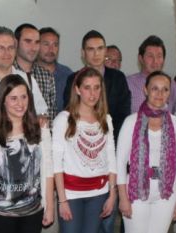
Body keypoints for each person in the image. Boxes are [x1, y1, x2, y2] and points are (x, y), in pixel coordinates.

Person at [0, 74, 54, 233]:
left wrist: (50, 207)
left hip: (33, 213)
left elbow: (48, 171)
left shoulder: (41, 129)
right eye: (13, 98)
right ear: (2, 101)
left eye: (24, 97)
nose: (20, 104)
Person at [116, 71, 176, 233]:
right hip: (135, 191)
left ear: (170, 93)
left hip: (166, 192)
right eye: (155, 88)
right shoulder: (131, 121)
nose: (160, 94)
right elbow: (119, 162)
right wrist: (123, 197)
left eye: (165, 89)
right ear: (145, 90)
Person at [52, 67, 116, 233]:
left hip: (99, 192)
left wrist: (112, 194)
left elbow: (112, 159)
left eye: (96, 87)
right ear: (77, 89)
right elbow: (56, 163)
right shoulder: (63, 120)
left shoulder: (106, 120)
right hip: (71, 194)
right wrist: (62, 200)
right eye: (87, 87)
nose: (92, 93)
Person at [63, 30, 131, 141]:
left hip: (113, 139)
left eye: (100, 48)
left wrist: (109, 139)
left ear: (105, 51)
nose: (96, 54)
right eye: (91, 49)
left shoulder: (118, 78)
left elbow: (123, 114)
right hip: (81, 141)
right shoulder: (73, 79)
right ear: (83, 53)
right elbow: (70, 112)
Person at [14, 23, 57, 122]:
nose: (33, 48)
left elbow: (51, 116)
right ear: (16, 43)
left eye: (37, 42)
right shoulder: (8, 74)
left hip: (42, 135)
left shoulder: (47, 76)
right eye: (28, 41)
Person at [126, 36, 176, 114]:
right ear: (140, 59)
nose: (155, 61)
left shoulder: (172, 85)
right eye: (150, 56)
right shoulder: (128, 83)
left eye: (159, 56)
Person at [37, 27, 73, 113]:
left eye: (55, 45)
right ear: (37, 46)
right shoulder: (28, 74)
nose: (51, 49)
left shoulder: (68, 74)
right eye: (46, 44)